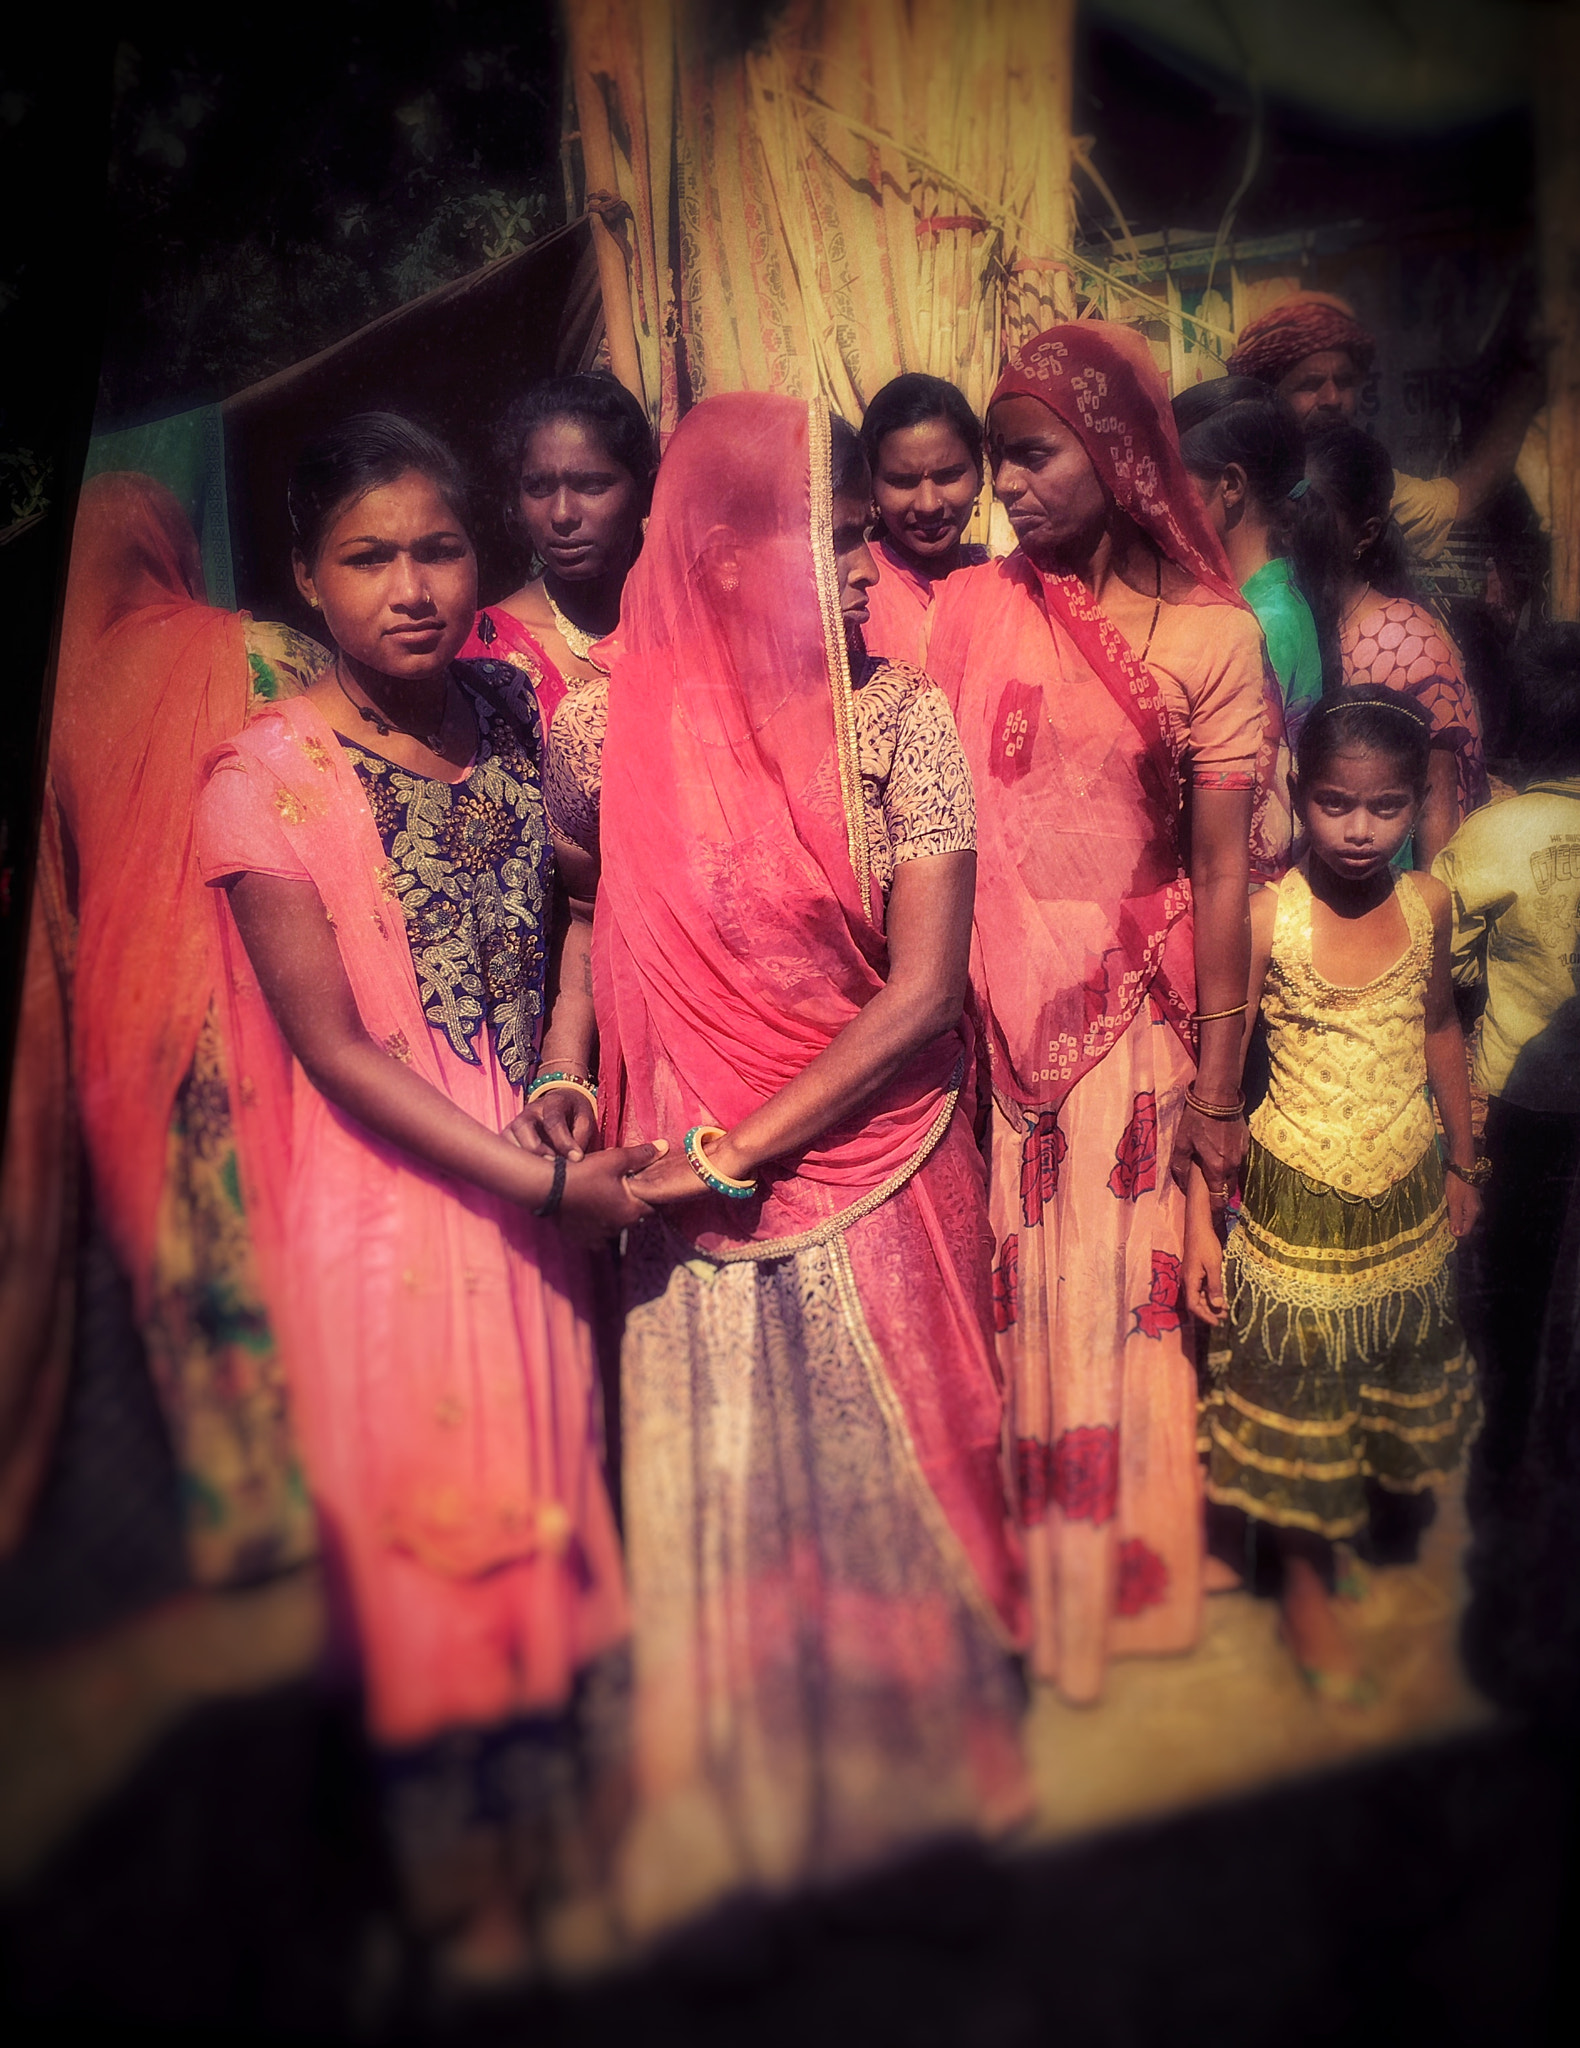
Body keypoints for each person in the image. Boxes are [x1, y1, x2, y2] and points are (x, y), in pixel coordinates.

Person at [542, 394, 1029, 1933]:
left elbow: (925, 994)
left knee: (893, 1455)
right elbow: (587, 904)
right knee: (730, 1470)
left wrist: (728, 1151)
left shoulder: (901, 720)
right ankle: (743, 1812)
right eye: (800, 541)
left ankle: (932, 1786)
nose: (844, 572)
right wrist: (570, 1061)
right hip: (677, 1173)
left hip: (862, 1155)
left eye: (847, 538)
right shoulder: (599, 724)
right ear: (706, 549)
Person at [194, 414, 658, 1980]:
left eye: (439, 548)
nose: (413, 587)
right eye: (370, 558)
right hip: (393, 1210)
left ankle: (558, 1840)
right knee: (430, 1533)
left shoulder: (514, 710)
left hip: (536, 1166)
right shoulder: (263, 778)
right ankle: (463, 1885)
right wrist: (540, 1174)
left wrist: (568, 1071)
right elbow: (331, 1051)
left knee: (547, 1484)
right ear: (308, 584)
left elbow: (580, 908)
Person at [926, 322, 1284, 1705]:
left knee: (1122, 1308)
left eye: (1033, 454)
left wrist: (1219, 1093)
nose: (1006, 486)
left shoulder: (1210, 635)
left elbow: (1220, 878)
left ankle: (1119, 1585)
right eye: (998, 459)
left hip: (1131, 1025)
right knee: (1007, 1300)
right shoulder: (965, 610)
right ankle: (1020, 1586)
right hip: (978, 1021)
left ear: (1122, 453)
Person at [39, 472, 329, 1587]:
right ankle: (337, 1484)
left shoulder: (62, 707)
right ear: (171, 550)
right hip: (262, 992)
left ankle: (236, 1506)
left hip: (125, 1024)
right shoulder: (258, 651)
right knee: (282, 1222)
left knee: (184, 1249)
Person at [1185, 691, 1482, 1704]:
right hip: (1294, 1196)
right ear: (1294, 795)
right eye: (1333, 804)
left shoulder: (1428, 906)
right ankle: (1303, 1581)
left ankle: (1344, 1532)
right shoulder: (1268, 918)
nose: (1359, 831)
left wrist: (1460, 1159)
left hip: (1400, 1188)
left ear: (1418, 800)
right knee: (1296, 1394)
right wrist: (1196, 1222)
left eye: (1385, 807)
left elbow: (1440, 1023)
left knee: (1368, 1381)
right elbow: (1212, 1088)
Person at [1434, 624, 1580, 1481]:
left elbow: (1441, 956)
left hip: (1516, 1107)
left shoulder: (1496, 834)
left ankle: (1502, 1460)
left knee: (1514, 1294)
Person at [1225, 289, 1543, 568]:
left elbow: (1463, 499)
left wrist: (1527, 391)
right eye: (1310, 384)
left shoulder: (1368, 486)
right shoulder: (1231, 485)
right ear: (1268, 394)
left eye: (1346, 382)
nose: (1333, 398)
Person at [1303, 424, 1490, 869]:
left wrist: (1431, 922)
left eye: (1314, 512)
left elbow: (1439, 812)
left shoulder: (1407, 644)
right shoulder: (1298, 616)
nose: (1296, 528)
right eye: (1289, 510)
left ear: (1365, 535)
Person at [460, 373, 658, 725]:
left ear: (647, 491)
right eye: (538, 487)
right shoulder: (485, 651)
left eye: (591, 485)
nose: (562, 514)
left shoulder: (695, 624)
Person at [1173, 378, 1329, 740]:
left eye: (1173, 480)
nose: (1161, 499)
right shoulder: (1271, 595)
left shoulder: (1261, 622)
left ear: (1230, 485)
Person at [858, 372, 989, 668]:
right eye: (902, 481)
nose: (928, 504)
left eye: (948, 476)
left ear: (979, 473)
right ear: (870, 486)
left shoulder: (1003, 582)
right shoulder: (857, 593)